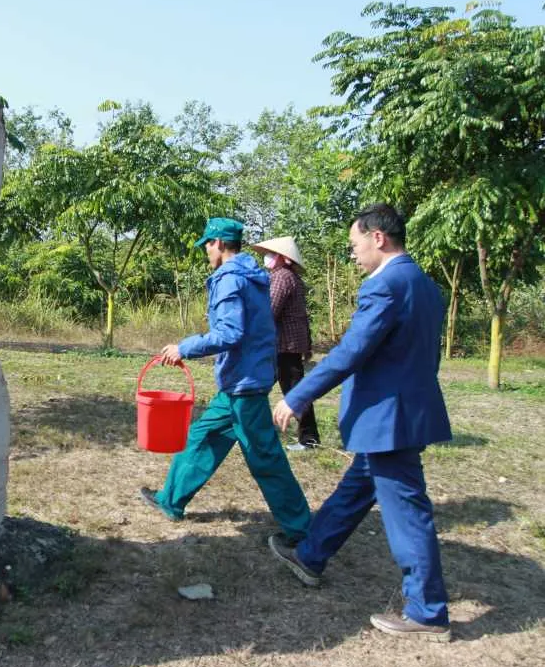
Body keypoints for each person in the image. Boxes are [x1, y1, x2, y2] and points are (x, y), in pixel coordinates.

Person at [269, 203, 452, 642]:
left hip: (390, 418)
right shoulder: (425, 285)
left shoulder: (386, 286)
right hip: (404, 413)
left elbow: (352, 351)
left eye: (354, 245)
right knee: (358, 486)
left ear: (378, 238)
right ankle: (310, 556)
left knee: (407, 513)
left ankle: (428, 612)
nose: (352, 254)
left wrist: (297, 396)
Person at [139, 217, 311, 544]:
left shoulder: (230, 278)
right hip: (240, 381)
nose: (206, 249)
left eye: (207, 243)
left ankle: (302, 531)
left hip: (244, 385)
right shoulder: (254, 275)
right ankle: (170, 500)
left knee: (266, 459)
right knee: (200, 438)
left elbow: (229, 333)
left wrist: (184, 348)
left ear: (218, 243)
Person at [252, 236, 320, 451]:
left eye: (271, 255)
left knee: (294, 390)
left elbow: (269, 310)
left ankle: (309, 438)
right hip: (287, 343)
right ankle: (253, 428)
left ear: (283, 258)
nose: (267, 258)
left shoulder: (281, 277)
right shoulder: (289, 277)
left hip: (285, 345)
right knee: (261, 386)